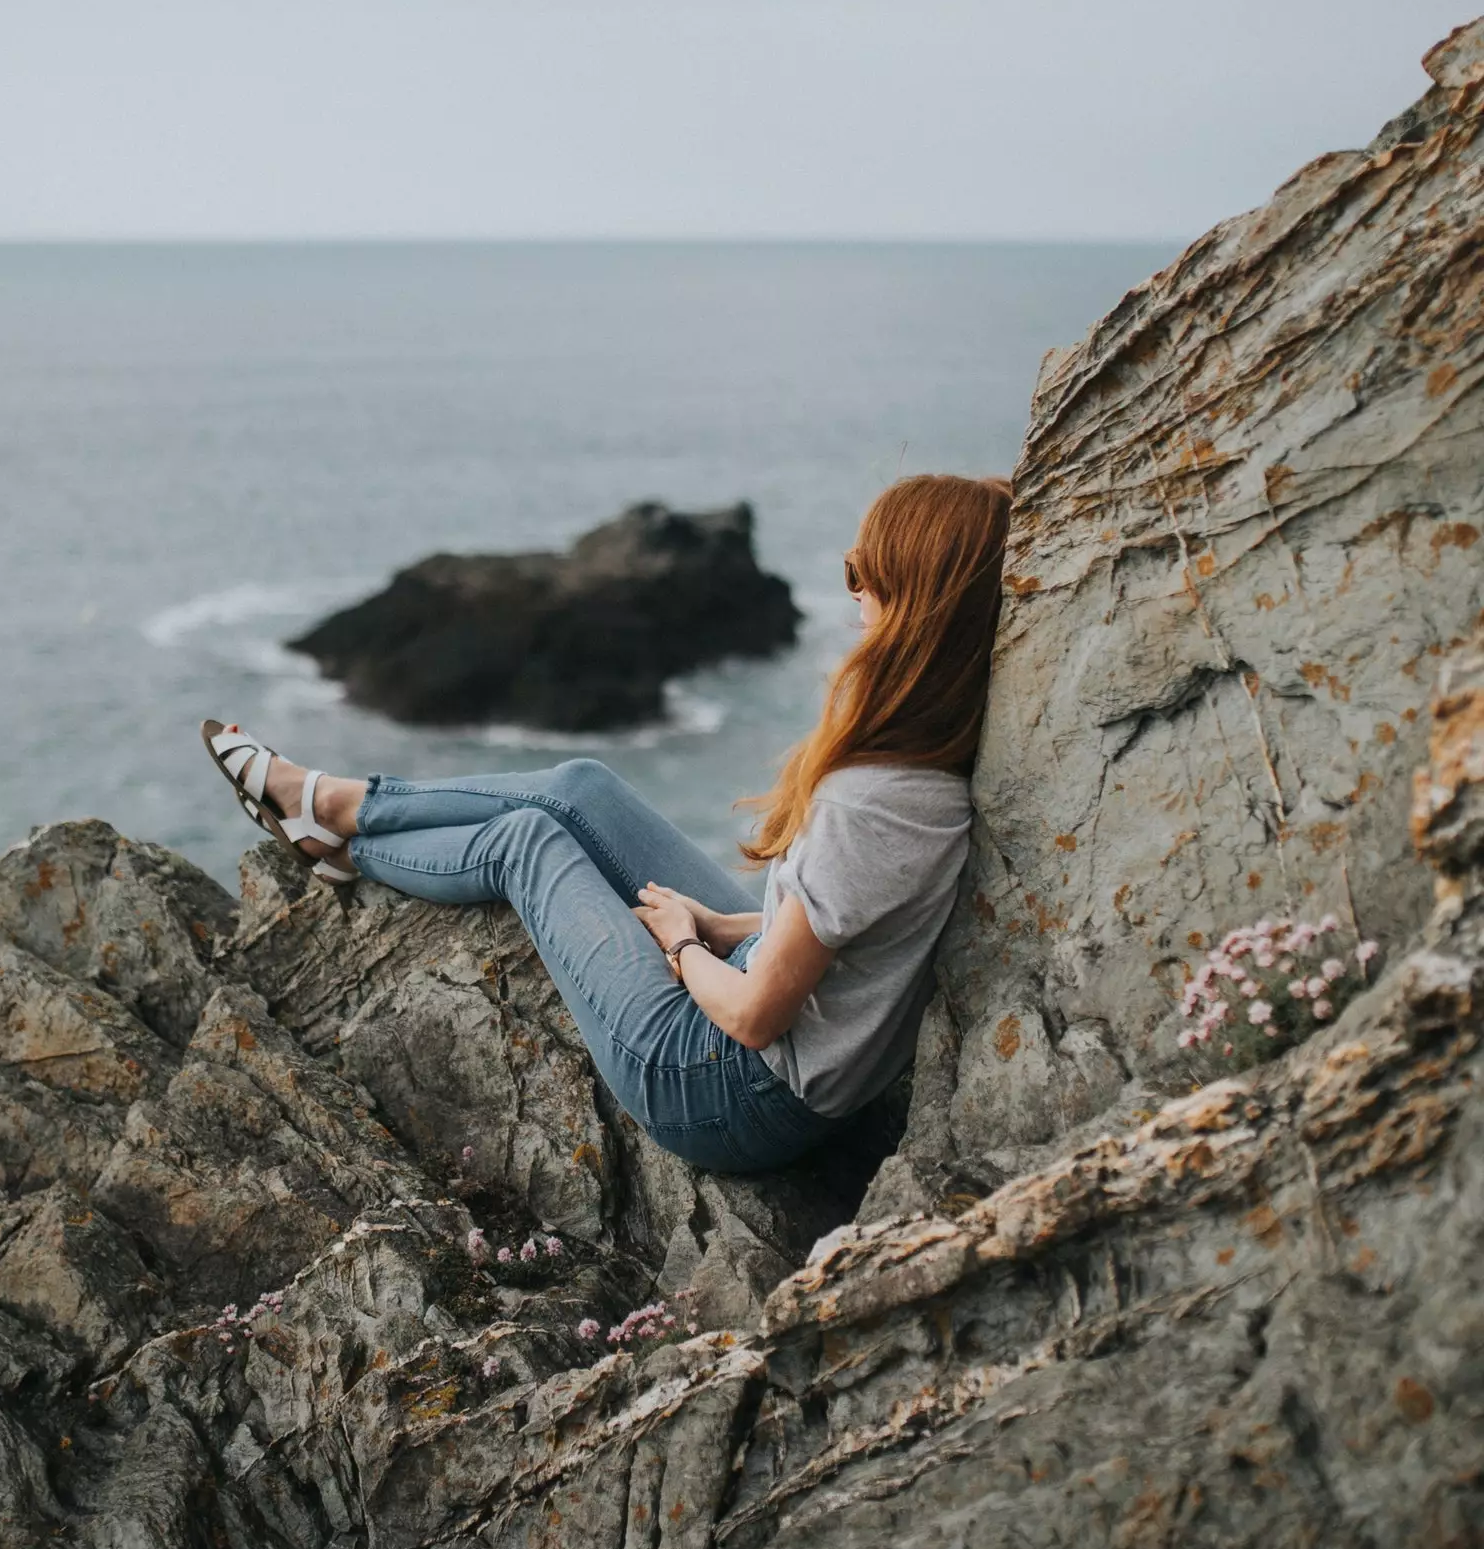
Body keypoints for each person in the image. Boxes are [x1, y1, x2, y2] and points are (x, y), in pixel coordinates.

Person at [201, 472, 1010, 1174]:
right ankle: (339, 802)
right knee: (581, 786)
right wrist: (723, 927)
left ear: (912, 605)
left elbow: (757, 1016)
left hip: (724, 1087)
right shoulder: (929, 761)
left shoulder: (871, 802)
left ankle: (339, 839)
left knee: (528, 842)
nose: (851, 594)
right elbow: (831, 937)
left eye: (861, 573)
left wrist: (682, 945)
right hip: (770, 1023)